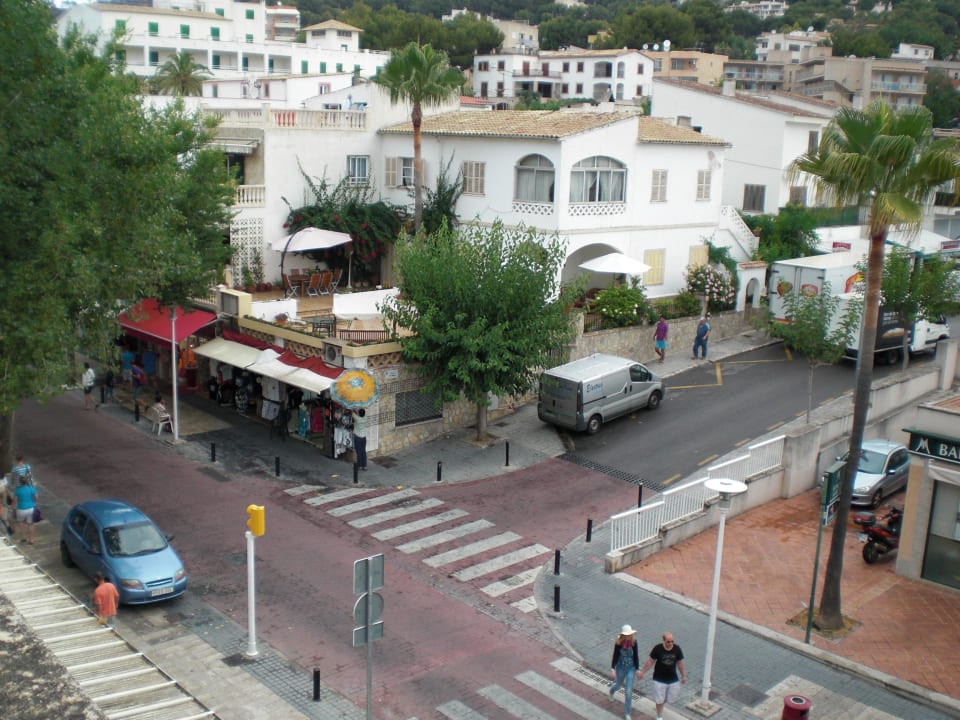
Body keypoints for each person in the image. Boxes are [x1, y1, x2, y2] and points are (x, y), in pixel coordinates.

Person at [639, 631, 686, 720]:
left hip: (673, 679)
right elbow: (650, 661)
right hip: (659, 679)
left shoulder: (677, 649)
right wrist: (642, 672)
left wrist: (683, 676)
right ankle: (659, 716)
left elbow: (680, 663)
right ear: (664, 640)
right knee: (659, 699)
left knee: (670, 699)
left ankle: (659, 705)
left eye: (672, 641)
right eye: (668, 641)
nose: (671, 643)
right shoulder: (658, 648)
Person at [608, 624, 640, 718]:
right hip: (621, 667)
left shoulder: (634, 642)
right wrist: (612, 668)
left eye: (630, 634)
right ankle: (611, 691)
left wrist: (637, 669)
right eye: (628, 635)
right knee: (618, 685)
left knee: (628, 691)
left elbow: (636, 656)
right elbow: (615, 655)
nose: (629, 636)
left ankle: (627, 713)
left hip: (631, 668)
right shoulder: (618, 643)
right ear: (624, 635)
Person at [12, 475, 38, 545]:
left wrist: (13, 507)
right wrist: (34, 502)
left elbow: (15, 500)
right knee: (31, 524)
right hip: (30, 508)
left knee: (21, 523)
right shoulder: (31, 488)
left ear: (20, 482)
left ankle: (24, 537)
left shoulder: (18, 490)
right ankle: (31, 539)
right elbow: (36, 497)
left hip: (21, 509)